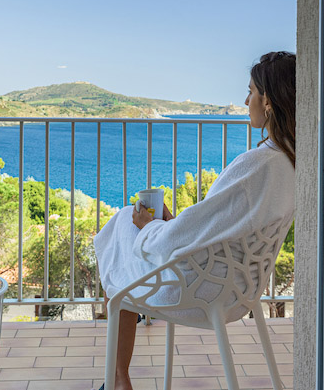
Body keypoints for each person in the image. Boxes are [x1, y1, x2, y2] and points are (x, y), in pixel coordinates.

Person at [93, 51, 297, 390]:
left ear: (270, 101)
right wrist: (169, 225)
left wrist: (153, 228)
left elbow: (186, 235)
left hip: (198, 289)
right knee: (127, 234)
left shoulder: (257, 166)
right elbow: (214, 221)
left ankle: (118, 379)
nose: (246, 100)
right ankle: (117, 378)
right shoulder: (291, 161)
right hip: (241, 288)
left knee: (121, 228)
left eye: (251, 92)